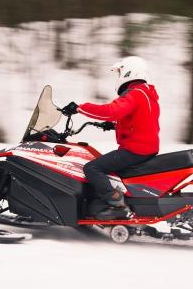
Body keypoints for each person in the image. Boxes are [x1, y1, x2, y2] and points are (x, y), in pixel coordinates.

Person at [61, 56, 160, 220]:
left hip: (136, 149)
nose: (119, 76)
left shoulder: (135, 94)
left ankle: (116, 204)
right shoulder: (146, 94)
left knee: (92, 168)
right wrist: (115, 125)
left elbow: (111, 111)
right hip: (146, 147)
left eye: (120, 72)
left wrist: (79, 108)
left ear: (129, 72)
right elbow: (142, 121)